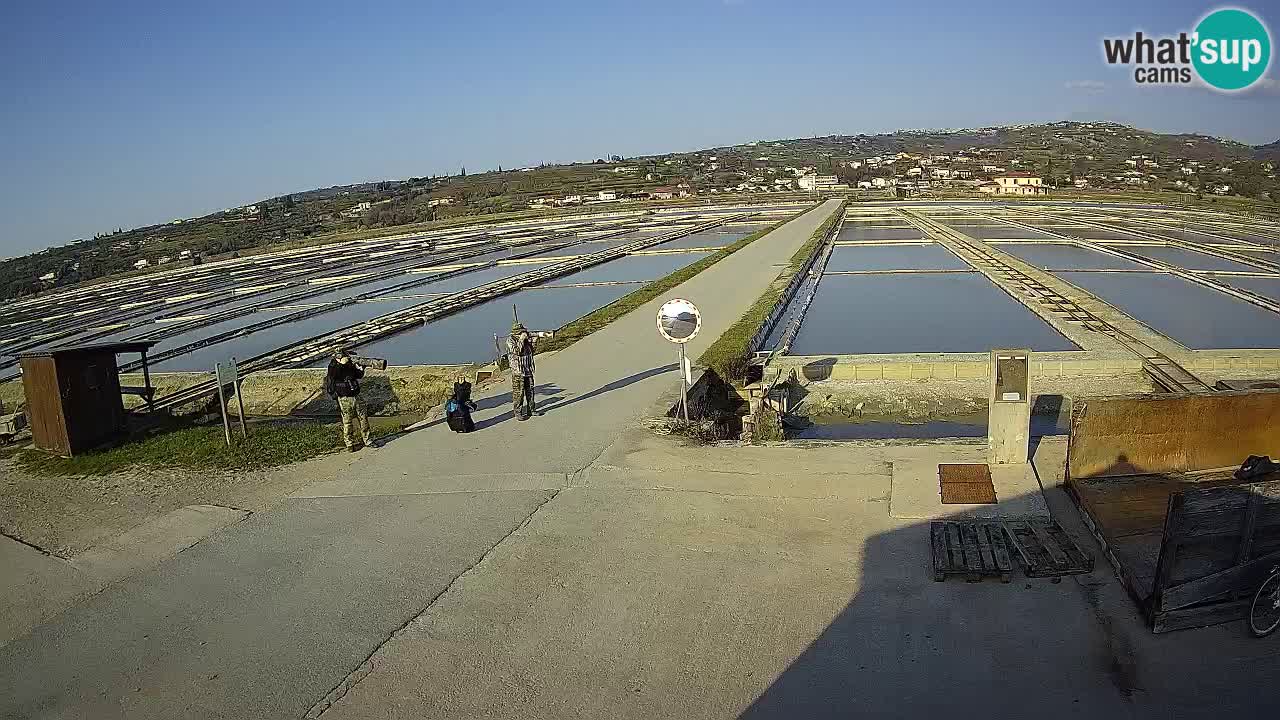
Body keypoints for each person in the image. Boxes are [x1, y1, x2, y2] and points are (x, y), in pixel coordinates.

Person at [324, 347, 372, 451]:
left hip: (356, 394)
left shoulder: (350, 363)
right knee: (347, 421)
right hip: (344, 397)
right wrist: (341, 364)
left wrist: (361, 368)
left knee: (363, 418)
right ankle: (349, 443)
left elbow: (358, 375)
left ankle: (367, 439)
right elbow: (333, 376)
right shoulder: (333, 366)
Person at [506, 322, 539, 421]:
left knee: (530, 391)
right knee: (518, 393)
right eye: (521, 332)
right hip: (518, 371)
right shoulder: (510, 340)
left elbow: (532, 351)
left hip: (528, 369)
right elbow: (516, 351)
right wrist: (521, 339)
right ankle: (518, 412)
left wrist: (534, 342)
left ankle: (531, 410)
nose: (524, 333)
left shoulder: (526, 340)